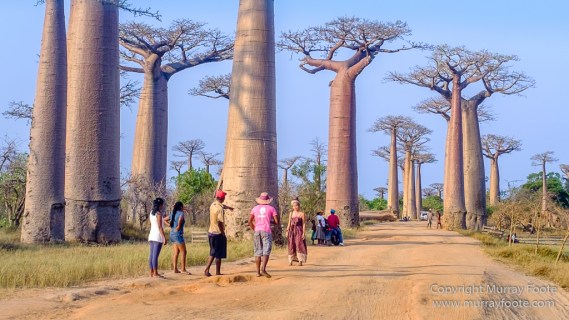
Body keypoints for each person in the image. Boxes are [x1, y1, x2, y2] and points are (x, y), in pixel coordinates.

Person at [249, 192, 279, 277]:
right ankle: (263, 269)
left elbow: (249, 221)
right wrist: (270, 221)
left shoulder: (255, 208)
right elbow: (277, 221)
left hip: (257, 231)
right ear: (268, 200)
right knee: (266, 250)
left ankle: (258, 272)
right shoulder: (271, 208)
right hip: (266, 230)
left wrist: (255, 228)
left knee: (258, 251)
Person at [204, 190, 233, 277]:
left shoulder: (213, 205)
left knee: (215, 252)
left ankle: (216, 271)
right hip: (218, 233)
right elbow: (220, 222)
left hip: (211, 232)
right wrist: (223, 232)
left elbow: (222, 206)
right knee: (216, 253)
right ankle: (207, 269)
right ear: (223, 198)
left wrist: (228, 208)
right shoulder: (220, 209)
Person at [148, 197, 167, 278]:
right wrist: (164, 238)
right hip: (157, 236)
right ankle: (155, 272)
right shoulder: (158, 214)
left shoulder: (151, 213)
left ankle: (151, 272)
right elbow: (160, 227)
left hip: (151, 235)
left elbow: (151, 223)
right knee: (155, 256)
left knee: (151, 255)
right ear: (160, 205)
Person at [169, 201, 190, 274]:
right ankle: (183, 269)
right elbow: (179, 223)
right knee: (184, 252)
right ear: (181, 207)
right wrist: (178, 227)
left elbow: (164, 219)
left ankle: (175, 269)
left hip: (172, 234)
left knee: (176, 252)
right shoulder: (181, 214)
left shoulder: (172, 213)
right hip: (178, 235)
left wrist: (170, 226)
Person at [286, 199, 308, 266]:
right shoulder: (291, 213)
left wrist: (303, 233)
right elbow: (289, 223)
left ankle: (300, 261)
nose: (295, 207)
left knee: (299, 244)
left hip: (299, 230)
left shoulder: (302, 214)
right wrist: (287, 230)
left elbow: (304, 224)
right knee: (291, 245)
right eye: (294, 206)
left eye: (296, 206)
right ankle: (291, 260)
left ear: (299, 206)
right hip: (292, 231)